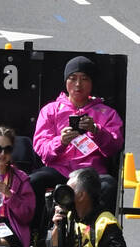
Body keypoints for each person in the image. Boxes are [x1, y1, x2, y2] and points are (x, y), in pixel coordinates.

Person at [30, 55, 124, 214]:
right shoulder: (50, 110)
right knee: (34, 181)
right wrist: (60, 142)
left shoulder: (107, 113)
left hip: (91, 173)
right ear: (66, 82)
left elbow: (114, 147)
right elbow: (41, 150)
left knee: (109, 185)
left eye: (84, 79)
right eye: (72, 78)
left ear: (92, 83)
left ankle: (100, 234)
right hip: (59, 170)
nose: (78, 84)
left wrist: (96, 131)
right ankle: (34, 236)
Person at [47, 167, 126, 247]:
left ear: (82, 195)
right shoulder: (68, 214)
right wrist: (57, 226)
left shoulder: (104, 220)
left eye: (68, 190)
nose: (64, 194)